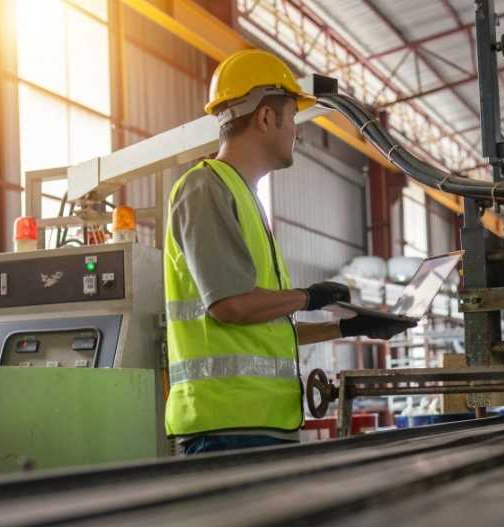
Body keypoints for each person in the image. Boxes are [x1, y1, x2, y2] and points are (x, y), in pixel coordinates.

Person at [164, 49, 415, 456]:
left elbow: (265, 333)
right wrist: (308, 298)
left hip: (260, 423)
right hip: (227, 428)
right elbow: (230, 307)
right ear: (265, 117)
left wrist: (349, 328)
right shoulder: (206, 188)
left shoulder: (244, 199)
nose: (296, 131)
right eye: (292, 117)